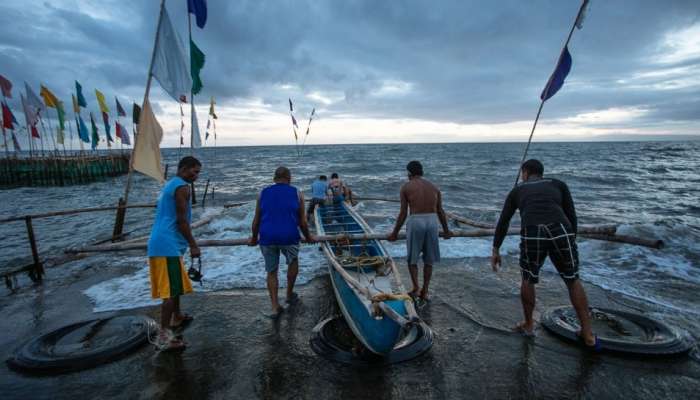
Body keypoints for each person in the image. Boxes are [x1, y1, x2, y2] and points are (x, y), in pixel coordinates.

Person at [491, 159, 597, 348]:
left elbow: (503, 221)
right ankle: (587, 333)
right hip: (561, 229)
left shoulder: (517, 190)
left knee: (528, 278)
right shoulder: (558, 184)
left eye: (522, 172)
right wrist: (571, 238)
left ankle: (529, 325)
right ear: (541, 173)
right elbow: (571, 215)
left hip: (533, 230)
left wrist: (496, 249)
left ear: (525, 172)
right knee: (573, 280)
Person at [147, 156, 201, 351]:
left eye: (198, 173)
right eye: (194, 172)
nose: (196, 176)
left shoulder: (171, 184)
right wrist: (193, 245)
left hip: (162, 241)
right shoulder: (183, 188)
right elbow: (181, 221)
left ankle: (177, 316)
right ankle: (164, 337)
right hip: (166, 244)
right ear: (184, 168)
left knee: (174, 284)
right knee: (169, 292)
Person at [249, 166, 315, 317]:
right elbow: (303, 222)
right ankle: (289, 294)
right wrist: (309, 237)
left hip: (267, 236)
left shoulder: (263, 193)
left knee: (271, 271)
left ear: (274, 178)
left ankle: (274, 306)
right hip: (289, 236)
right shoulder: (297, 193)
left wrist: (253, 239)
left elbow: (256, 220)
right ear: (289, 178)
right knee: (293, 261)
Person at [388, 161, 452, 302]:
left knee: (413, 258)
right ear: (421, 172)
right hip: (432, 221)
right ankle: (425, 290)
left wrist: (394, 233)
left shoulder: (406, 187)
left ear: (409, 173)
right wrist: (446, 231)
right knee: (429, 260)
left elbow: (403, 213)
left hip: (416, 221)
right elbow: (441, 211)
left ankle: (416, 287)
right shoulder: (434, 187)